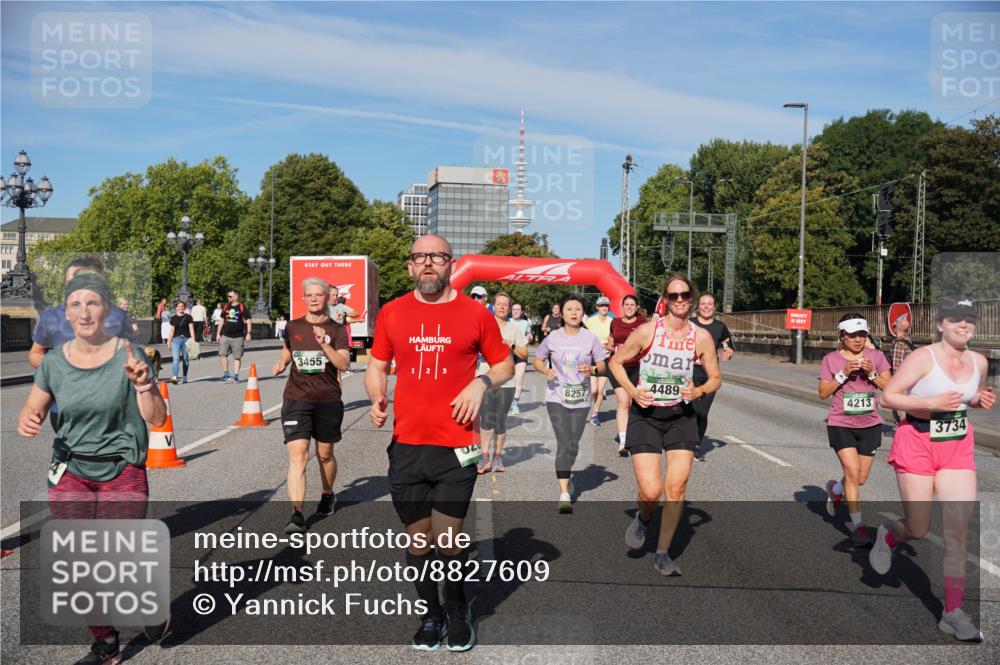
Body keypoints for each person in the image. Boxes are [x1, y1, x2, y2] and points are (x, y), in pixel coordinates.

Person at [365, 234, 512, 652]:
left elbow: (504, 364)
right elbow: (377, 366)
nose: (428, 263)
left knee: (447, 538)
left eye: (437, 256)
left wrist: (481, 383)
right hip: (407, 445)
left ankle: (457, 608)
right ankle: (430, 613)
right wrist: (377, 394)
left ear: (451, 264)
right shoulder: (392, 313)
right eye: (420, 257)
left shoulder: (475, 314)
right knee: (417, 539)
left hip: (457, 446)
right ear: (410, 266)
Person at [17, 271, 169, 665]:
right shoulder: (52, 361)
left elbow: (157, 418)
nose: (84, 312)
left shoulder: (130, 355)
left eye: (92, 303)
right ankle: (105, 642)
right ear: (65, 314)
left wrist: (143, 387)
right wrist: (28, 418)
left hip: (122, 468)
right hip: (70, 469)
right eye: (75, 304)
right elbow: (34, 405)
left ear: (107, 310)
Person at [871, 296, 995, 642]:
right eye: (956, 319)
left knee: (958, 532)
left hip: (956, 447)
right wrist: (930, 403)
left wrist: (977, 401)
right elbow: (889, 397)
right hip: (918, 444)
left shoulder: (979, 362)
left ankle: (953, 613)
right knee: (919, 528)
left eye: (969, 319)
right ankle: (890, 535)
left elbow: (968, 397)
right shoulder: (922, 357)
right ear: (941, 324)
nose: (964, 325)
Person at [610, 275, 721, 576]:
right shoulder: (647, 332)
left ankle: (662, 553)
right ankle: (644, 518)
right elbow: (616, 363)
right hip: (646, 417)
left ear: (692, 298)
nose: (680, 300)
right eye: (674, 296)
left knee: (676, 488)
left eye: (685, 294)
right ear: (665, 300)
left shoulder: (701, 337)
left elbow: (715, 377)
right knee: (650, 491)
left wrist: (698, 391)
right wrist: (633, 392)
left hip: (681, 418)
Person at [273, 278, 351, 534]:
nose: (315, 299)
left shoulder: (337, 329)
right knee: (298, 456)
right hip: (297, 398)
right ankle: (296, 514)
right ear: (303, 298)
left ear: (328, 297)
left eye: (319, 294)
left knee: (325, 454)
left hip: (328, 399)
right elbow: (288, 348)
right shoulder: (293, 326)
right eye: (310, 295)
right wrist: (282, 363)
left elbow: (343, 364)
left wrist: (324, 343)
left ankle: (328, 492)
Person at [818, 314, 891, 546]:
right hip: (841, 422)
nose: (858, 340)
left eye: (861, 335)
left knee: (859, 478)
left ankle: (835, 489)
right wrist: (843, 373)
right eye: (852, 336)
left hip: (870, 424)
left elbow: (890, 388)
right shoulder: (830, 359)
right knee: (851, 471)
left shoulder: (876, 357)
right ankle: (858, 528)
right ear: (842, 336)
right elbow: (823, 393)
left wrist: (872, 374)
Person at [533, 294, 607, 513]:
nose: (574, 313)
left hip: (581, 399)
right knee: (564, 443)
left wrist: (592, 370)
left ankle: (567, 472)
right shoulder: (553, 338)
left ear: (583, 313)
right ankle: (564, 492)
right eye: (569, 309)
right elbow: (538, 358)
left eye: (578, 309)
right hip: (556, 397)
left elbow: (602, 366)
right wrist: (545, 369)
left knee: (572, 445)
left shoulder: (590, 338)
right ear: (562, 314)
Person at [476, 293, 530, 474]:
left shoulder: (514, 328)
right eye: (499, 304)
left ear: (509, 308)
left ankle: (497, 457)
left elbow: (524, 354)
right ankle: (484, 456)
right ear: (494, 305)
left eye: (505, 305)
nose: (502, 307)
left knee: (500, 421)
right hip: (485, 378)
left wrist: (511, 346)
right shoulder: (483, 325)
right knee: (486, 419)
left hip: (507, 380)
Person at [690, 293, 735, 461]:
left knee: (703, 413)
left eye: (710, 304)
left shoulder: (720, 327)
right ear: (698, 306)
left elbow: (728, 346)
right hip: (690, 374)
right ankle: (689, 442)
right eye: (703, 304)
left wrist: (728, 353)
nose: (706, 307)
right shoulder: (690, 324)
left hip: (710, 376)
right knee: (693, 411)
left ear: (715, 307)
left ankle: (696, 443)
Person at [608, 294, 646, 456]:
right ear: (622, 307)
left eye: (632, 305)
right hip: (618, 367)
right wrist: (610, 346)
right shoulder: (615, 322)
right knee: (623, 402)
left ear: (637, 308)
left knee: (634, 402)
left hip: (637, 367)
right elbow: (611, 338)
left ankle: (636, 433)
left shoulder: (643, 324)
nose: (629, 307)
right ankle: (624, 442)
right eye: (626, 305)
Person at [584, 295, 614, 426]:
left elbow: (615, 339)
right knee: (594, 390)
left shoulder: (612, 321)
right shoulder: (590, 321)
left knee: (600, 390)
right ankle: (586, 408)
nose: (604, 308)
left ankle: (595, 414)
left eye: (606, 305)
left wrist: (609, 345)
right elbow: (584, 338)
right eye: (602, 305)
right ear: (597, 307)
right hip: (592, 360)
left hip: (606, 359)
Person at [216, 289, 251, 383]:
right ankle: (226, 374)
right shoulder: (226, 306)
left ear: (236, 297)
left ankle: (236, 376)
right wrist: (218, 333)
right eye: (227, 296)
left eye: (230, 296)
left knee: (237, 357)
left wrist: (248, 333)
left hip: (238, 336)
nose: (228, 298)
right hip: (225, 335)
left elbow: (248, 320)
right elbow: (222, 320)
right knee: (222, 354)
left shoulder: (242, 307)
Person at [889, 312, 916, 424]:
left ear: (896, 328)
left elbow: (897, 368)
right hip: (911, 382)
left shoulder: (898, 344)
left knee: (900, 416)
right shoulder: (909, 342)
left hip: (902, 385)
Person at [508, 302, 533, 415]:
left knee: (519, 379)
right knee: (507, 380)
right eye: (514, 309)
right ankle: (506, 402)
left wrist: (529, 337)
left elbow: (530, 335)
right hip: (508, 354)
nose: (516, 311)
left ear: (522, 311)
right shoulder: (507, 321)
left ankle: (515, 405)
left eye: (518, 309)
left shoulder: (525, 323)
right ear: (511, 311)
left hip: (521, 354)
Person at [166, 300, 197, 384]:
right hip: (176, 340)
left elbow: (191, 329)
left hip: (186, 340)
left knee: (185, 359)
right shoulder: (173, 318)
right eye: (179, 306)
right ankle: (175, 377)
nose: (181, 308)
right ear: (176, 308)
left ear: (185, 307)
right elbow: (171, 331)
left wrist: (193, 341)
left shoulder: (188, 317)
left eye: (182, 306)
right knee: (175, 359)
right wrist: (169, 342)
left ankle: (184, 377)